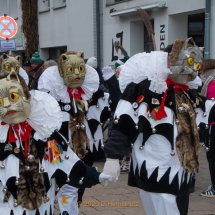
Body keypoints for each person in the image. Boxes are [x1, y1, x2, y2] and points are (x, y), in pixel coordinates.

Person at [102, 38, 215, 215]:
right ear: (169, 60)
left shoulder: (187, 93)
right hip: (155, 168)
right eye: (189, 61)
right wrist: (113, 157)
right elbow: (124, 123)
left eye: (196, 64)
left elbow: (207, 109)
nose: (193, 70)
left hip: (181, 172)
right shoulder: (142, 89)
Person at [38, 51, 117, 215]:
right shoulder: (52, 97)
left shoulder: (92, 95)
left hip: (83, 153)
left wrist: (112, 83)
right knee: (61, 189)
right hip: (57, 152)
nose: (75, 75)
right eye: (70, 70)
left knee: (75, 190)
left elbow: (117, 104)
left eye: (80, 69)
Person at [199, 59, 215, 197]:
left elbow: (211, 105)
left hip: (213, 124)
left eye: (201, 68)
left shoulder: (212, 83)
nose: (200, 71)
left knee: (212, 156)